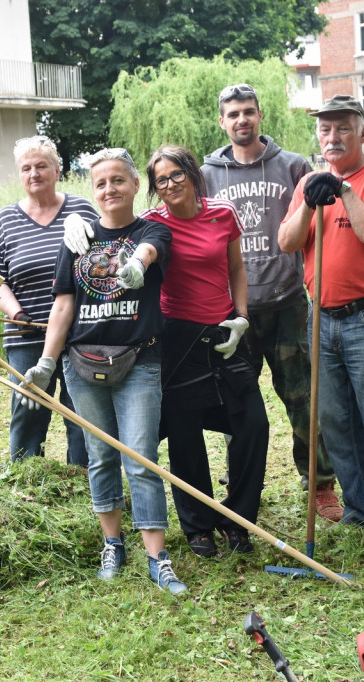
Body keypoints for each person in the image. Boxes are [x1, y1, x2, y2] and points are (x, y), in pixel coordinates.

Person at [20, 148, 186, 594]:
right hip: (81, 364)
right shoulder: (77, 237)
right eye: (100, 183)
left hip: (139, 361)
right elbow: (63, 305)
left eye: (118, 180)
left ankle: (158, 558)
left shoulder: (151, 229)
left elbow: (152, 248)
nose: (109, 189)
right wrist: (46, 362)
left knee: (141, 459)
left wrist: (138, 262)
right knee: (100, 456)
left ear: (134, 185)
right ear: (92, 191)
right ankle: (112, 544)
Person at [201, 83, 341, 521]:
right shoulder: (207, 175)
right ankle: (242, 483)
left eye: (248, 111)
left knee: (302, 398)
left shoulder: (292, 166)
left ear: (260, 115)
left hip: (287, 304)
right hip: (232, 311)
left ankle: (319, 482)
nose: (241, 119)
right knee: (235, 401)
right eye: (233, 114)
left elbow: (317, 224)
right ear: (222, 122)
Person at [278, 94, 364, 552]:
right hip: (321, 318)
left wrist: (345, 192)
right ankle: (358, 509)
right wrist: (308, 203)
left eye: (343, 128)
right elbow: (287, 242)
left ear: (362, 132)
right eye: (325, 129)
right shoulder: (309, 183)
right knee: (335, 421)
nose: (332, 137)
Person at [139, 145, 269, 557]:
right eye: (161, 179)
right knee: (184, 432)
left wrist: (242, 317)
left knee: (253, 423)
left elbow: (236, 269)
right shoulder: (151, 223)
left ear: (193, 173)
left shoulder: (223, 214)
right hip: (177, 339)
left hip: (225, 331)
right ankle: (197, 526)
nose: (170, 184)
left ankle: (237, 519)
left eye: (176, 174)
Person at [0, 136, 96, 466]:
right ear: (19, 175)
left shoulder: (82, 210)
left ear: (57, 170)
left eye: (41, 166)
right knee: (27, 408)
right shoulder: (6, 219)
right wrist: (17, 313)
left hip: (79, 334)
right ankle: (26, 476)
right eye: (26, 168)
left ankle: (82, 477)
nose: (34, 173)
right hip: (27, 336)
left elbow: (102, 262)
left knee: (82, 412)